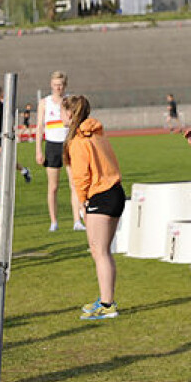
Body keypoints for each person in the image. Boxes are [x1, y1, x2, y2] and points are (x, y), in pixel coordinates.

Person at [63, 95, 125, 320]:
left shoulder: (79, 141)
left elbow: (81, 177)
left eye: (63, 112)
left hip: (101, 195)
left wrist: (82, 204)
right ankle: (106, 299)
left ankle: (108, 304)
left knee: (99, 252)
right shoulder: (98, 133)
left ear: (70, 114)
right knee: (103, 252)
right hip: (115, 191)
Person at [36, 71, 85, 232]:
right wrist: (38, 150)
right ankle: (54, 221)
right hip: (52, 145)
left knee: (74, 184)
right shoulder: (44, 102)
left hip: (69, 144)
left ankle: (77, 220)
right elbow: (39, 127)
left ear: (65, 86)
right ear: (51, 84)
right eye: (56, 85)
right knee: (53, 186)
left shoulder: (70, 101)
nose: (58, 88)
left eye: (61, 85)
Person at [0, 85, 30, 190]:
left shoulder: (3, 107)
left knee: (3, 159)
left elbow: (11, 115)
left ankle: (22, 170)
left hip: (1, 137)